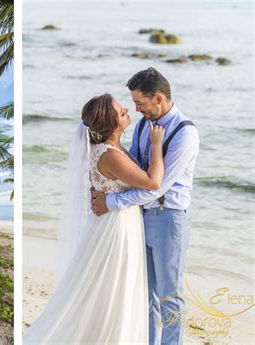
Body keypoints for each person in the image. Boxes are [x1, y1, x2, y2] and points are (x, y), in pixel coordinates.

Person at [23, 93, 166, 343]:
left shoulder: (112, 148)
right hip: (117, 228)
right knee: (116, 289)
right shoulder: (109, 155)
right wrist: (156, 145)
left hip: (117, 222)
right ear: (112, 125)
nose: (127, 111)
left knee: (112, 288)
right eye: (122, 112)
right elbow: (153, 182)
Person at [92, 67, 199, 345]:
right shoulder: (142, 125)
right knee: (146, 294)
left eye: (140, 103)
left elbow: (156, 187)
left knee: (169, 296)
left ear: (159, 99)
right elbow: (137, 173)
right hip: (139, 218)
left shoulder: (185, 134)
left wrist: (111, 201)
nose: (137, 109)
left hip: (169, 219)